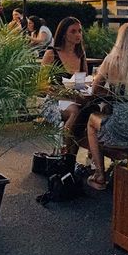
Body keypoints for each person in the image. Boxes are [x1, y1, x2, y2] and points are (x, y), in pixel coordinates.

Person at [86, 23, 128, 190]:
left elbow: (95, 89)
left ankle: (100, 175)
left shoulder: (112, 60)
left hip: (120, 126)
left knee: (91, 121)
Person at [40, 17, 89, 154]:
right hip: (54, 100)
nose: (78, 35)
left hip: (74, 98)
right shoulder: (52, 54)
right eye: (73, 31)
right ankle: (64, 149)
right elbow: (41, 84)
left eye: (79, 31)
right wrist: (62, 92)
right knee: (75, 112)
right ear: (63, 34)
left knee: (91, 110)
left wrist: (82, 89)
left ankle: (83, 151)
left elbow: (82, 82)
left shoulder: (80, 55)